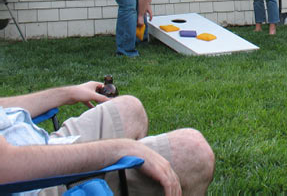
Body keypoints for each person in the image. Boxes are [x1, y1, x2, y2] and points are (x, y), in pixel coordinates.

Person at [0, 81, 214, 195]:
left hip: (33, 145)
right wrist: (120, 149)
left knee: (131, 108)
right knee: (193, 151)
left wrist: (67, 93)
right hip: (29, 184)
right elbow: (6, 167)